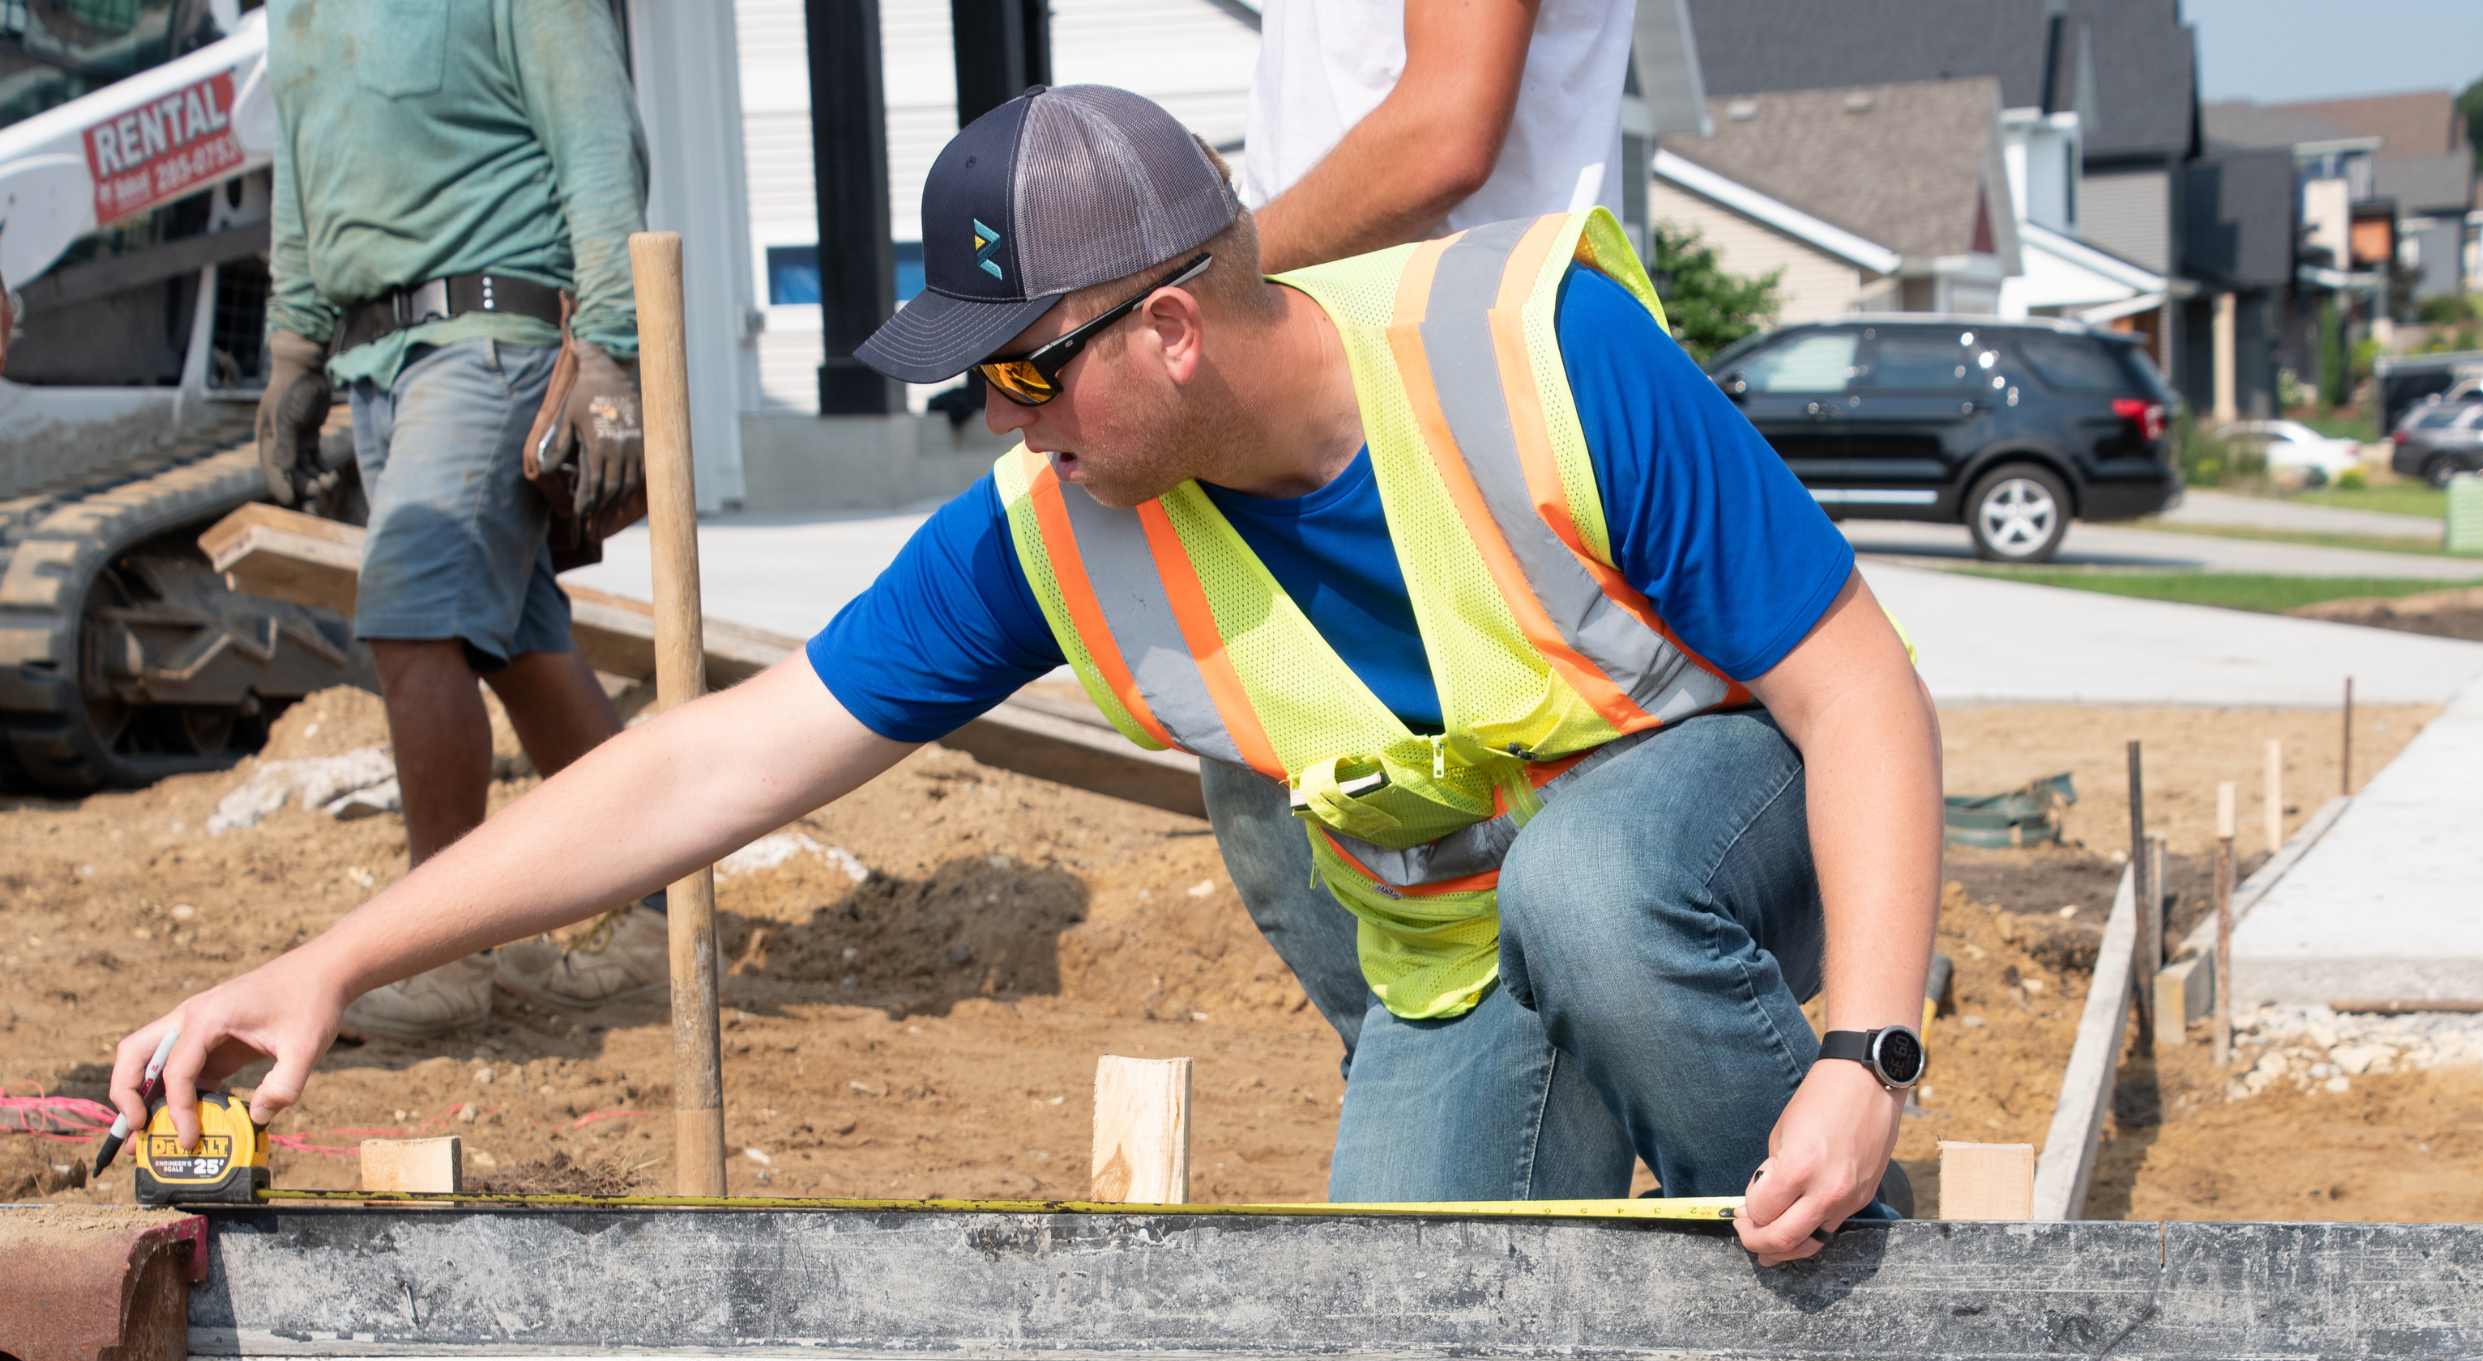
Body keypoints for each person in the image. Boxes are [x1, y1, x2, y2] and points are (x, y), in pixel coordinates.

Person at [119, 85, 1942, 1267]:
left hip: (1725, 843)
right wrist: (333, 960)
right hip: (1464, 960)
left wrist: (1863, 1054)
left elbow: (1863, 693)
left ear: (1165, 325)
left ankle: (1833, 1254)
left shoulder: (1530, 352)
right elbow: (714, 764)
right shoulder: (1062, 517)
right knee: (1406, 1309)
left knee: (1599, 884)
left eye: (1022, 374)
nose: (1005, 422)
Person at [1222, 0, 1639, 1059]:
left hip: (1453, 381)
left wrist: (1206, 280)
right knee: (1300, 825)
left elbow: (1444, 131)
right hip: (1352, 367)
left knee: (1513, 880)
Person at [256, 0, 669, 1039]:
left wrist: (613, 350)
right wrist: (296, 351)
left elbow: (596, 143)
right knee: (520, 645)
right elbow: (301, 176)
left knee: (413, 623)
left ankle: (442, 951)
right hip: (377, 359)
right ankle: (670, 913)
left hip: (488, 336)